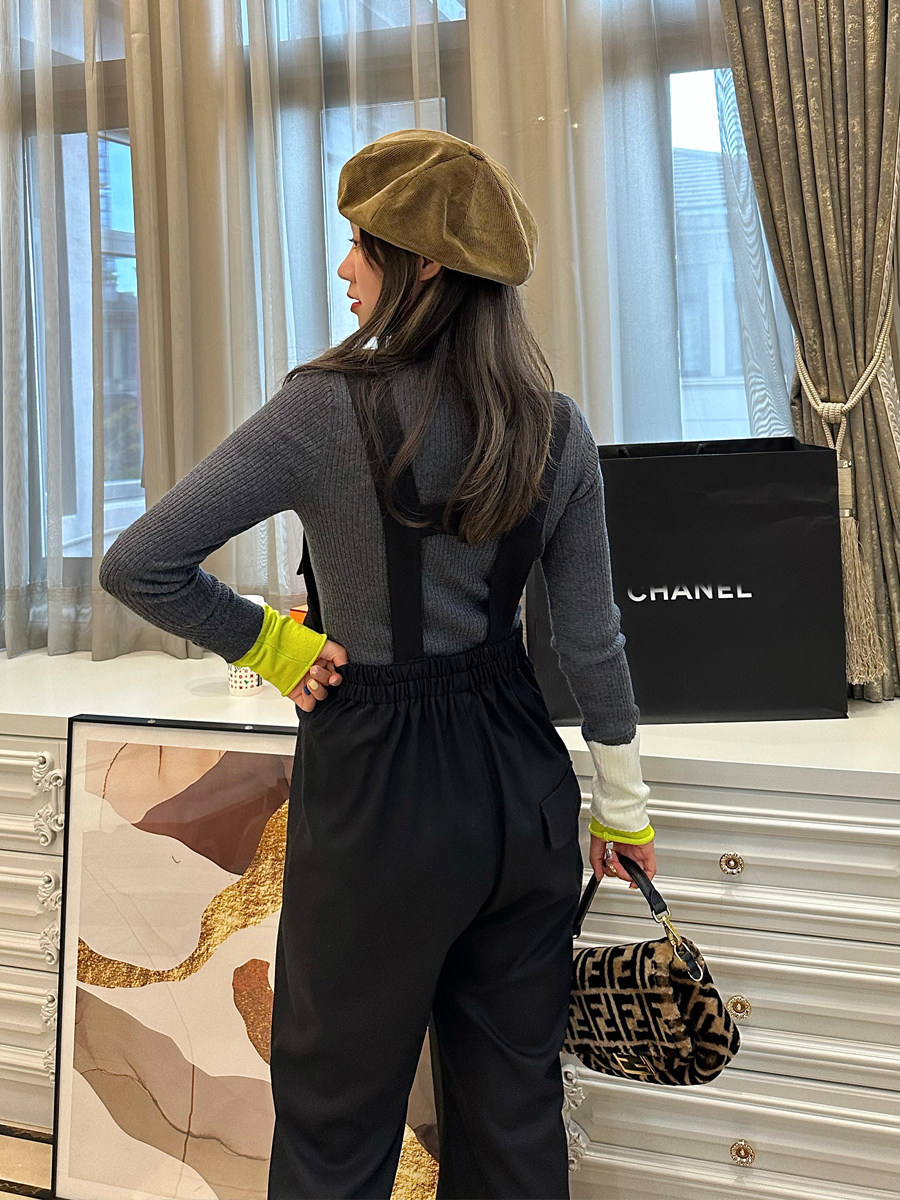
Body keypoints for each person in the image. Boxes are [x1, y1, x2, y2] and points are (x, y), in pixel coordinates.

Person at [99, 127, 657, 1200]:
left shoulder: (323, 408)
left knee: (337, 1126)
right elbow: (591, 641)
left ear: (426, 264)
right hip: (522, 791)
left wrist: (276, 647)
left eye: (363, 245)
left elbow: (139, 563)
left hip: (379, 799)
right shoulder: (556, 426)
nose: (344, 268)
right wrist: (625, 812)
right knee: (514, 1115)